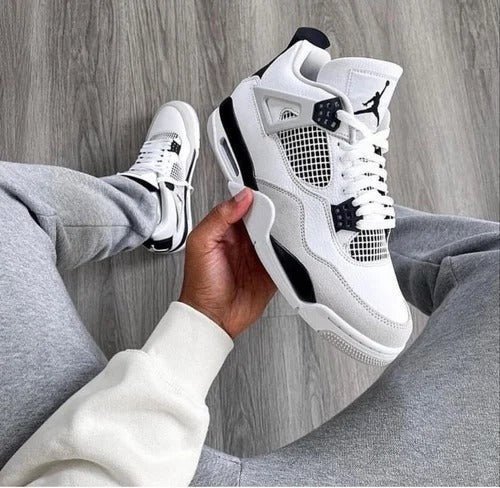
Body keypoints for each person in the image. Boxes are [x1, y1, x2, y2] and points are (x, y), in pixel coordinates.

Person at [0, 100, 498, 486]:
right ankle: (326, 207)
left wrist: (198, 330)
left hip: (75, 459)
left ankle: (153, 206)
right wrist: (201, 328)